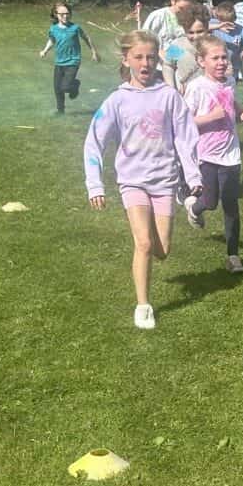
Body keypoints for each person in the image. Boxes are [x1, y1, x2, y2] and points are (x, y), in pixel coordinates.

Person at [84, 31, 201, 330]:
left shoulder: (169, 97)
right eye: (138, 57)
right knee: (144, 243)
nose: (145, 63)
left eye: (150, 57)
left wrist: (193, 176)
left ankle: (154, 234)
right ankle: (143, 306)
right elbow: (94, 141)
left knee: (162, 250)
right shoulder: (117, 100)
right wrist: (95, 184)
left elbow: (186, 138)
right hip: (132, 181)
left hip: (164, 181)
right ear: (126, 60)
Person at [182, 38, 243, 274]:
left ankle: (233, 256)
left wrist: (242, 112)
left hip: (231, 154)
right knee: (211, 202)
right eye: (215, 58)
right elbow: (184, 122)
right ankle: (194, 208)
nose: (221, 62)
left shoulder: (230, 81)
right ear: (201, 61)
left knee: (231, 204)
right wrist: (211, 117)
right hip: (206, 154)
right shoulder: (196, 87)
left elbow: (231, 102)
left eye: (224, 57)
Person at [40, 2, 100, 115]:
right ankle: (60, 111)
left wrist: (93, 51)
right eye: (62, 14)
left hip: (73, 61)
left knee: (65, 87)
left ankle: (75, 84)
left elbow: (86, 37)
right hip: (59, 62)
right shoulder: (53, 29)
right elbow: (52, 40)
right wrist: (45, 51)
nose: (65, 16)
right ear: (56, 14)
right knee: (57, 88)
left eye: (67, 13)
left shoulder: (75, 28)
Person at [210, 0, 243, 79]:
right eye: (223, 22)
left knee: (230, 85)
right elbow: (200, 28)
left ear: (235, 18)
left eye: (230, 21)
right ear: (218, 18)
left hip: (233, 67)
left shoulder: (241, 30)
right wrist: (218, 26)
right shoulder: (213, 24)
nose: (227, 24)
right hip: (215, 66)